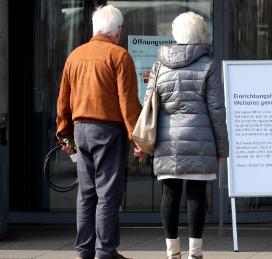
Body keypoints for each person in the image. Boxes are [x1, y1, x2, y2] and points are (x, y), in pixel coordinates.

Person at [134, 12, 229, 259]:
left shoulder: (159, 65)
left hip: (166, 139)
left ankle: (172, 252)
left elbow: (149, 104)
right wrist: (222, 149)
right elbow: (216, 110)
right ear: (199, 37)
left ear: (176, 36)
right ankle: (195, 253)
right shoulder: (209, 65)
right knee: (197, 194)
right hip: (201, 138)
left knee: (170, 194)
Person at [56, 5, 141, 259]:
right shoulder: (119, 56)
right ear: (117, 30)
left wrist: (64, 135)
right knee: (108, 193)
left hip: (81, 130)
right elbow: (128, 103)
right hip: (108, 130)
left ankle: (84, 249)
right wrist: (137, 138)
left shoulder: (75, 56)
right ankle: (105, 251)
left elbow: (63, 101)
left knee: (86, 192)